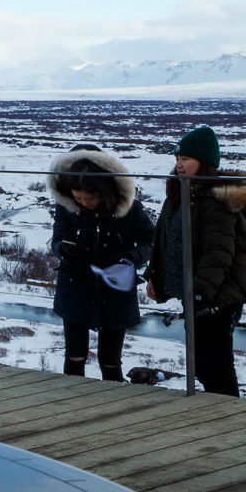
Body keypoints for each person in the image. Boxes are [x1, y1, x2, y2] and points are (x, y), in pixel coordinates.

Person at [143, 125, 246, 396]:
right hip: (198, 293)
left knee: (216, 365)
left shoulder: (215, 198)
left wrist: (200, 294)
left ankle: (228, 420)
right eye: (177, 159)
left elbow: (218, 252)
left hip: (220, 294)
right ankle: (220, 415)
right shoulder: (181, 191)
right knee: (202, 364)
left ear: (205, 163)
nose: (179, 165)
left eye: (186, 159)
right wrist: (153, 275)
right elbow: (165, 237)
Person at [48, 144, 152, 382]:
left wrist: (131, 259)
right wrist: (64, 249)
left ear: (103, 191)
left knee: (110, 360)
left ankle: (113, 409)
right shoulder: (66, 206)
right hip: (75, 285)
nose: (83, 203)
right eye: (78, 198)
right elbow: (57, 238)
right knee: (75, 356)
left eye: (90, 198)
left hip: (116, 288)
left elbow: (150, 240)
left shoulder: (130, 208)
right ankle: (74, 404)